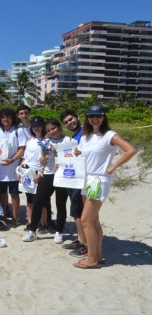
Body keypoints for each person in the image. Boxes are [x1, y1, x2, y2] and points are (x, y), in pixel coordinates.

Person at [73, 105, 136, 269]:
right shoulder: (86, 136)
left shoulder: (109, 135)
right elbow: (79, 153)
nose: (95, 119)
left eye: (98, 116)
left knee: (86, 220)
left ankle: (91, 258)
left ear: (103, 117)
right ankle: (98, 256)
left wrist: (113, 166)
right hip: (86, 180)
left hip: (97, 181)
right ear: (87, 118)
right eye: (91, 116)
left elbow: (130, 150)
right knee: (94, 221)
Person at [23, 119, 71, 243]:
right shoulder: (45, 141)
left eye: (53, 129)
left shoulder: (68, 141)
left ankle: (59, 232)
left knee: (60, 204)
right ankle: (32, 231)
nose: (52, 132)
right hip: (48, 174)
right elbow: (43, 162)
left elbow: (71, 159)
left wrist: (56, 155)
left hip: (62, 175)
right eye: (49, 130)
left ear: (59, 128)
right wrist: (44, 154)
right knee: (38, 202)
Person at [0, 108, 25, 223]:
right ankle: (3, 215)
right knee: (2, 194)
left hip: (13, 168)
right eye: (3, 117)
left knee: (14, 194)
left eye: (7, 117)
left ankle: (15, 217)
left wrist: (13, 160)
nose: (5, 119)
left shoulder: (18, 131)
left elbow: (22, 148)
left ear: (12, 118)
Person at [60, 110, 86, 255]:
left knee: (82, 212)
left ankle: (85, 243)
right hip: (73, 177)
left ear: (77, 117)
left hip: (83, 178)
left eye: (71, 119)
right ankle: (80, 238)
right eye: (66, 122)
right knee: (76, 210)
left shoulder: (86, 133)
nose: (70, 123)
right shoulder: (73, 137)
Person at [18, 116, 47, 231]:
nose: (36, 128)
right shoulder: (30, 140)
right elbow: (25, 158)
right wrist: (20, 170)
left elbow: (47, 162)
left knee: (40, 201)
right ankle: (30, 223)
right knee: (29, 200)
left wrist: (40, 173)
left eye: (39, 126)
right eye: (34, 126)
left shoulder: (46, 141)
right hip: (27, 173)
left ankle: (44, 223)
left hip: (39, 173)